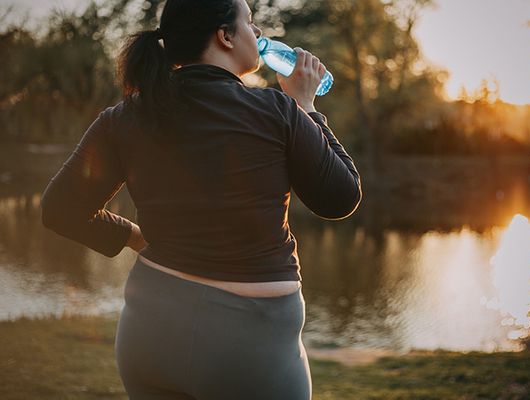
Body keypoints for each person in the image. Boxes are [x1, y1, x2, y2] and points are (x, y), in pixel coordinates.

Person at [40, 0, 362, 398]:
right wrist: (308, 107)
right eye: (250, 22)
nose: (259, 33)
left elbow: (60, 210)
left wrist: (135, 237)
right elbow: (341, 198)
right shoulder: (280, 111)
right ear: (224, 36)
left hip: (150, 337)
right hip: (252, 352)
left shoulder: (124, 117)